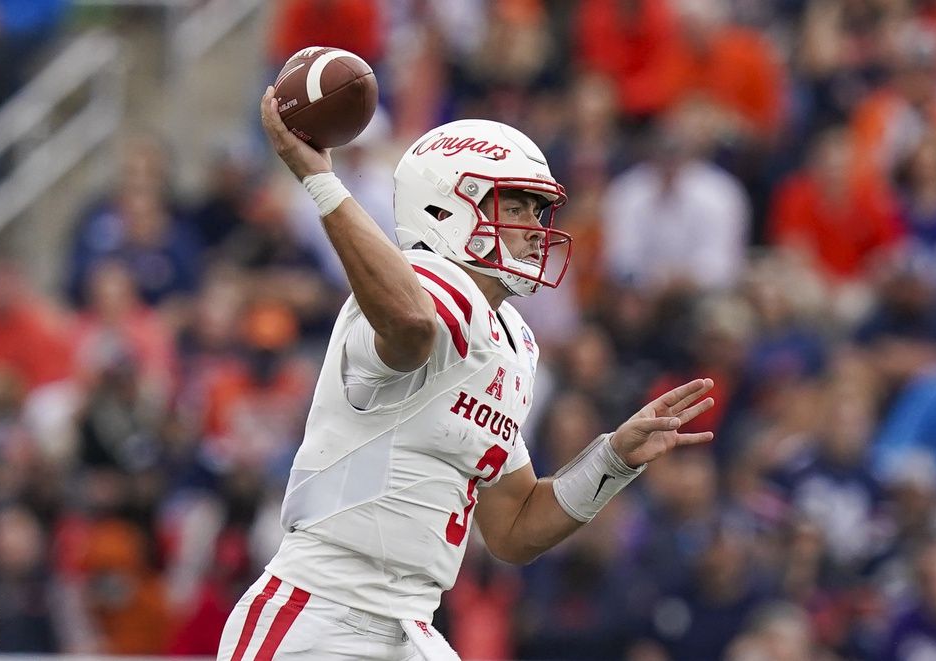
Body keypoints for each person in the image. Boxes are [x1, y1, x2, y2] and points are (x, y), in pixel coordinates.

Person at [217, 86, 716, 661]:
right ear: (449, 204)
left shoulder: (515, 341)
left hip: (411, 624)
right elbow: (412, 323)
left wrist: (612, 461)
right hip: (321, 613)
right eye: (517, 205)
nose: (535, 226)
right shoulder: (429, 284)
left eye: (537, 209)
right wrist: (322, 182)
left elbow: (514, 526)